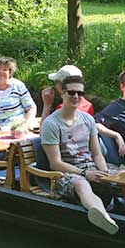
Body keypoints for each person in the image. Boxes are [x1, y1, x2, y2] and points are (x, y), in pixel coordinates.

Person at [40, 75, 118, 235]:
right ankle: (103, 217)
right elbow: (55, 163)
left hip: (91, 167)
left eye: (79, 93)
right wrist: (85, 173)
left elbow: (97, 154)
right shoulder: (51, 124)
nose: (76, 96)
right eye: (71, 92)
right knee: (82, 185)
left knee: (124, 177)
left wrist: (104, 172)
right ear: (62, 92)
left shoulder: (88, 119)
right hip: (66, 173)